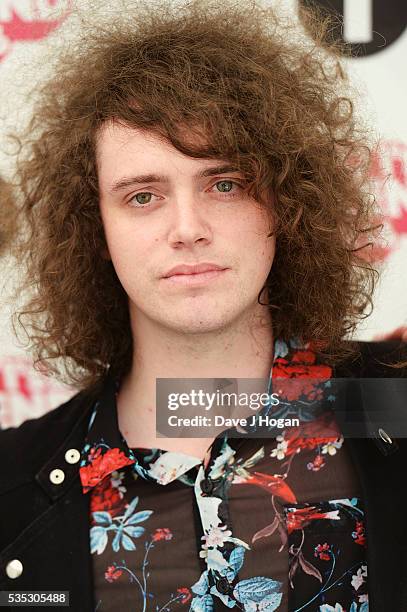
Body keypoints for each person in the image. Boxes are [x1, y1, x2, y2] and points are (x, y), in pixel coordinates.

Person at [0, 0, 406, 610]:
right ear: (94, 230)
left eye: (225, 183)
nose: (187, 229)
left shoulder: (393, 409)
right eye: (142, 196)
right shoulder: (14, 483)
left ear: (285, 201)